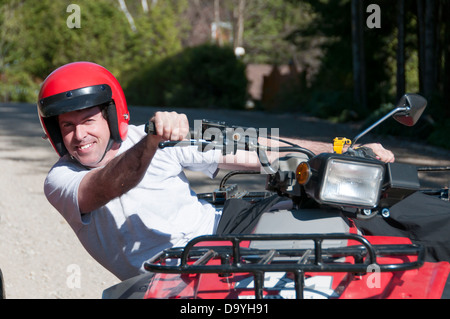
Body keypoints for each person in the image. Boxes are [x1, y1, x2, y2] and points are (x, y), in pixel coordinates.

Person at [37, 61, 395, 281]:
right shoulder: (61, 181)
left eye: (88, 120)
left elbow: (256, 147)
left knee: (340, 211)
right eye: (67, 126)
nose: (79, 135)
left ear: (113, 114)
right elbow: (106, 186)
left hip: (225, 230)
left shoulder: (154, 135)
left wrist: (346, 151)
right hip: (164, 280)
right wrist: (149, 144)